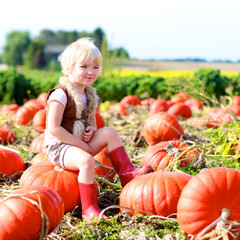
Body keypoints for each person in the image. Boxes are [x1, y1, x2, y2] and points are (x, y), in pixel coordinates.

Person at [44, 37, 153, 221]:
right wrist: (79, 143)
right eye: (84, 66)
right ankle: (89, 210)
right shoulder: (61, 94)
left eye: (95, 67)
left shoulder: (88, 94)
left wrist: (90, 132)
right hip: (59, 147)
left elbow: (91, 123)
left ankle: (127, 173)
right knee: (87, 162)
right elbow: (53, 128)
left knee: (109, 132)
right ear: (69, 68)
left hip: (79, 143)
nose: (90, 72)